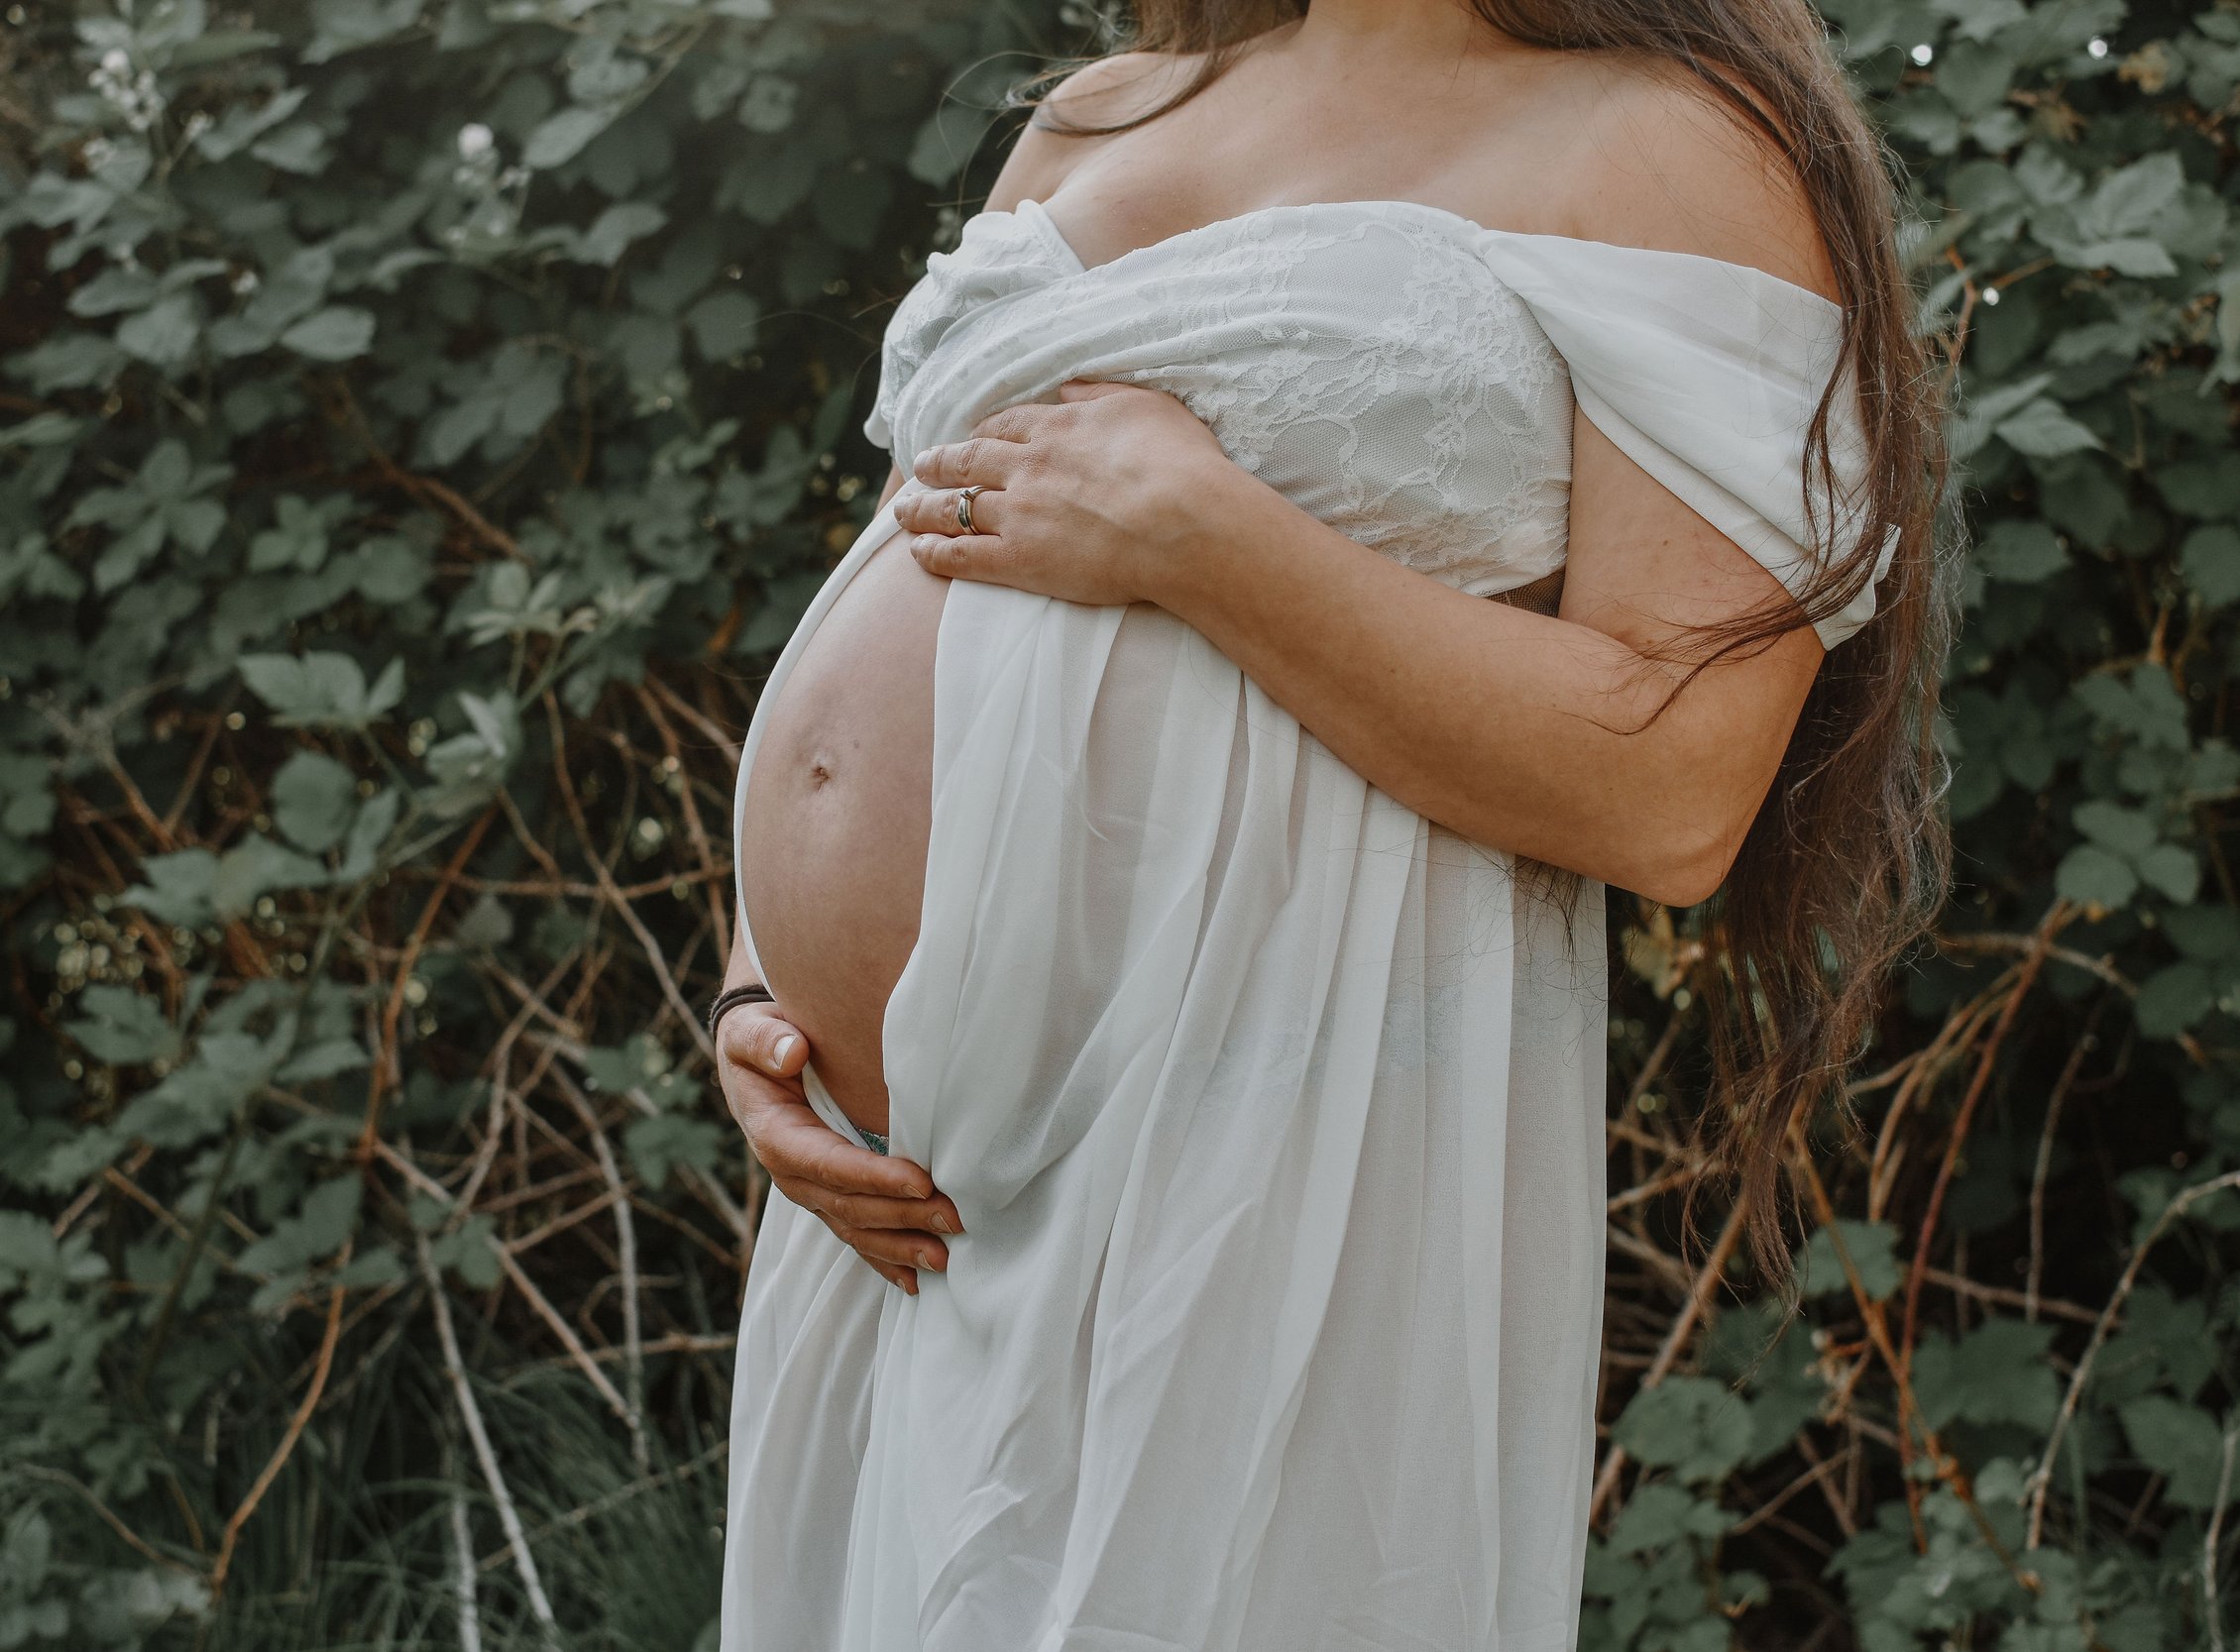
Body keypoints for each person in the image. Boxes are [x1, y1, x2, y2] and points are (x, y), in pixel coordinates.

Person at [711, 0, 1948, 1643]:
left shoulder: (1671, 142)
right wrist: (756, 990)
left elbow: (1678, 786)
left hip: (1258, 1130)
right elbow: (911, 548)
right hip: (904, 1194)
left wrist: (1206, 539)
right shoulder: (1108, 110)